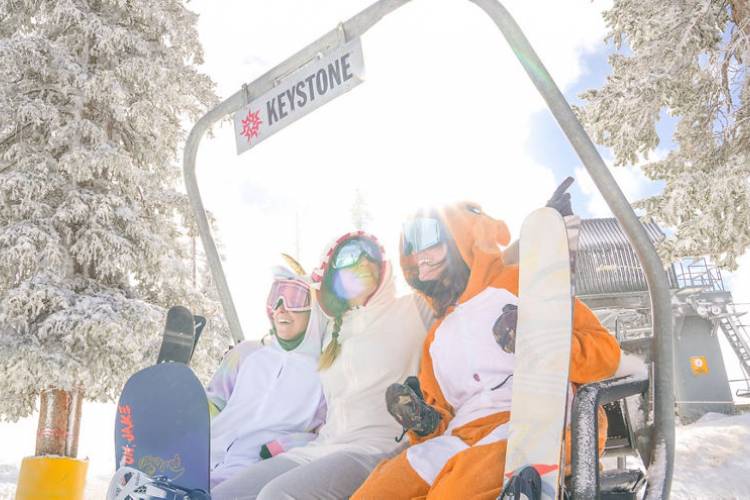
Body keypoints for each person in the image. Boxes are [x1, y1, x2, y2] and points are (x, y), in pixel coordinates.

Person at [352, 201, 622, 499]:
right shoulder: (436, 336)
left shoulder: (522, 284)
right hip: (463, 436)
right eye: (410, 245)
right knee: (378, 491)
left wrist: (541, 343)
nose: (419, 255)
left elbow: (605, 355)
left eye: (428, 238)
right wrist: (425, 421)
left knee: (455, 491)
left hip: (535, 426)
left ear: (461, 236)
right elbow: (444, 414)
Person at [211, 231, 433, 500]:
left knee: (277, 496)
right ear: (333, 277)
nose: (362, 262)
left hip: (377, 447)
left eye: (369, 254)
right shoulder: (333, 332)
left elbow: (465, 288)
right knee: (224, 495)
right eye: (348, 258)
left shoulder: (413, 309)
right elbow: (294, 337)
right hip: (323, 447)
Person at [206, 265, 327, 488]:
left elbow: (325, 434)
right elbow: (213, 399)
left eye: (294, 299)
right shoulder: (246, 354)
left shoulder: (323, 374)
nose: (281, 309)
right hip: (203, 458)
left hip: (255, 469)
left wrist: (282, 447)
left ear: (314, 310)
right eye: (276, 299)